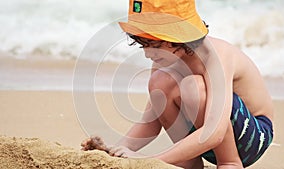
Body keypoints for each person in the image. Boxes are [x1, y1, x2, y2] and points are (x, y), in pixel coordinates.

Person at [81, 0, 274, 168]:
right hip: (204, 139)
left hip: (252, 138)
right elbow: (151, 120)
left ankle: (229, 163)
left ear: (181, 36)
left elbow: (214, 132)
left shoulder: (215, 57)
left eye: (154, 46)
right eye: (144, 45)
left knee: (193, 86)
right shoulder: (164, 59)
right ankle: (190, 162)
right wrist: (116, 151)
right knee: (159, 81)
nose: (148, 54)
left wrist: (150, 160)